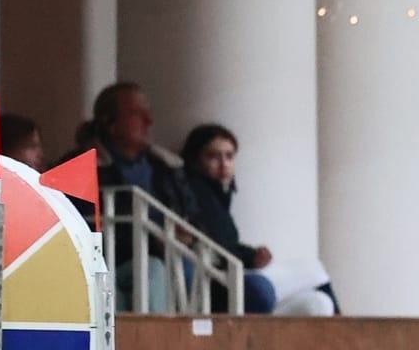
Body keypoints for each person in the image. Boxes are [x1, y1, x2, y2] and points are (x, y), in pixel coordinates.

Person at [178, 123, 338, 316]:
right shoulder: (197, 192)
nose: (224, 164)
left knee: (319, 303)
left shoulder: (218, 197)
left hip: (233, 281)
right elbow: (218, 246)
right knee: (313, 269)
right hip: (219, 287)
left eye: (229, 156)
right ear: (195, 160)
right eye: (213, 156)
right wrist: (251, 257)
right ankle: (349, 330)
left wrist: (252, 256)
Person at [80, 82, 194, 312]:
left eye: (148, 113)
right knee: (151, 270)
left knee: (179, 268)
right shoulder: (82, 167)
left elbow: (194, 216)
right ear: (110, 124)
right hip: (110, 262)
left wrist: (187, 234)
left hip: (169, 259)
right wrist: (155, 241)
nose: (149, 121)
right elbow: (85, 226)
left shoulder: (167, 167)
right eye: (136, 114)